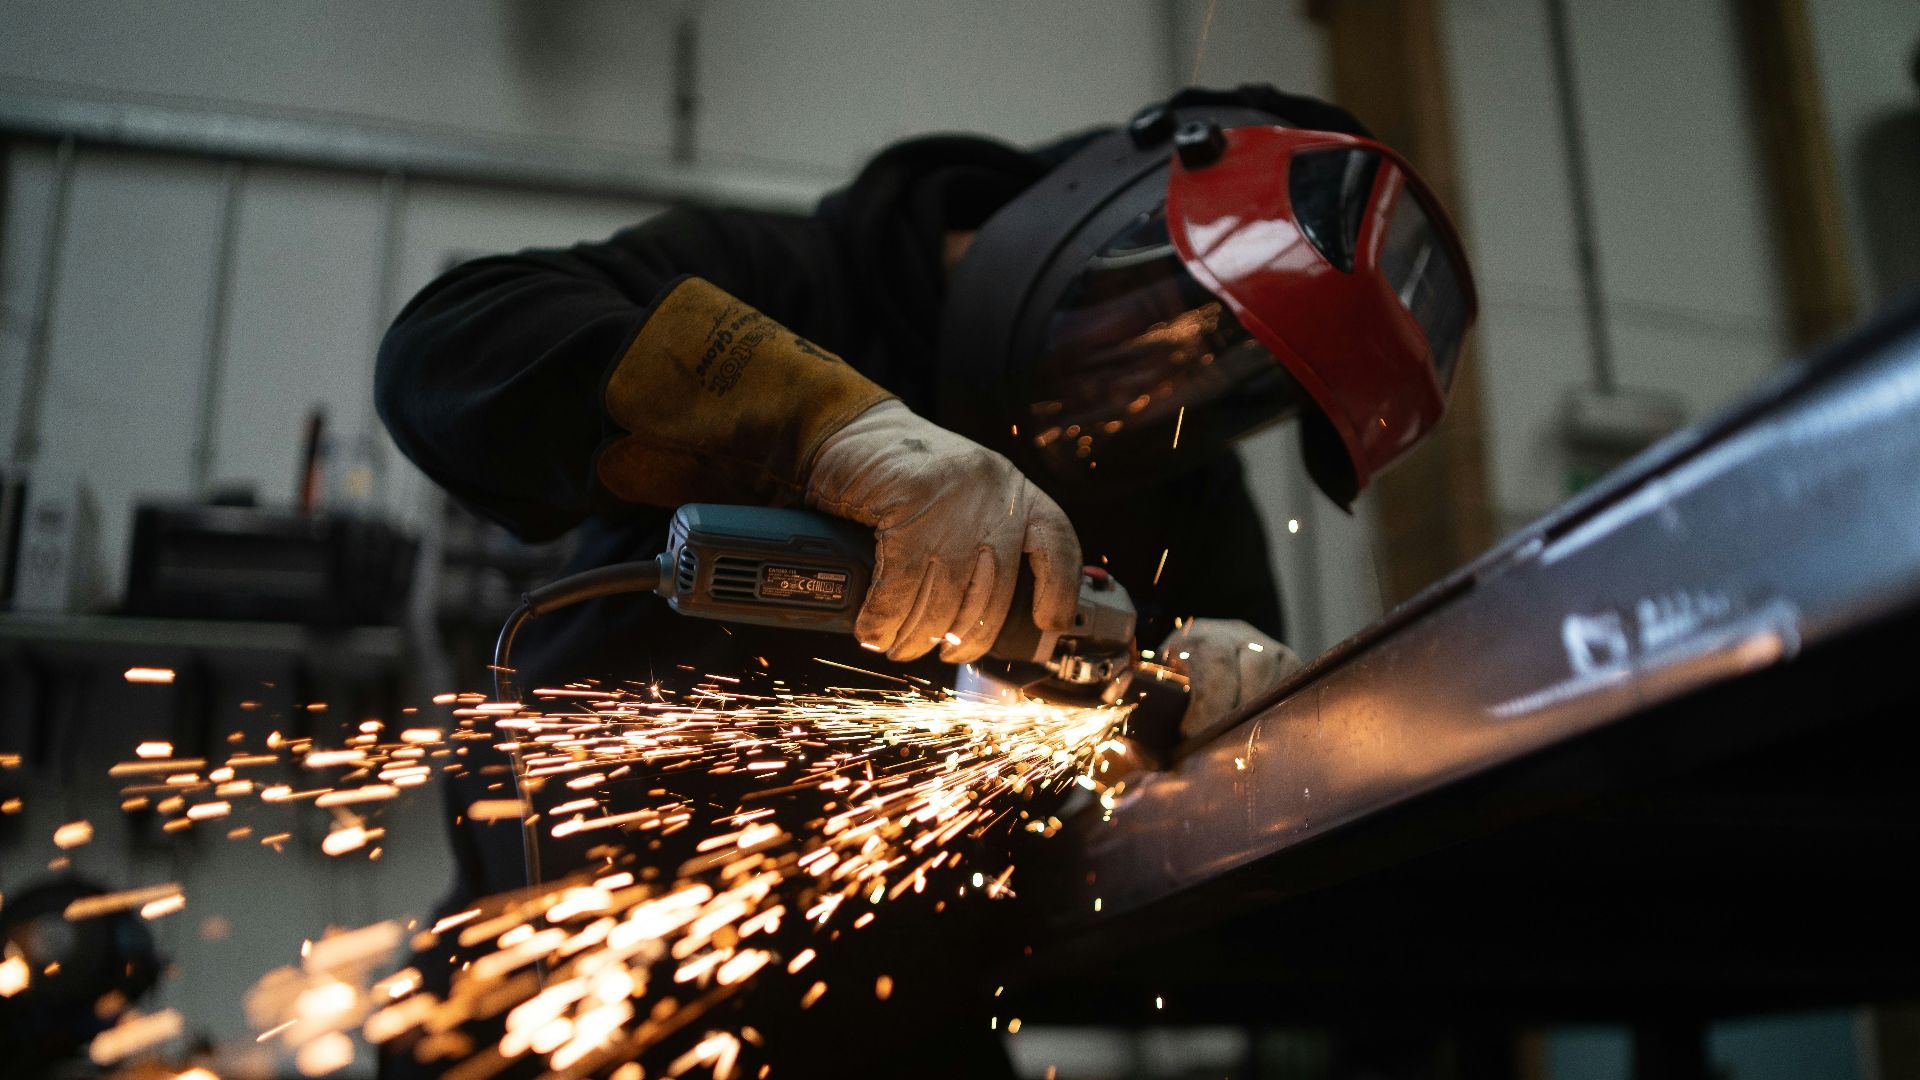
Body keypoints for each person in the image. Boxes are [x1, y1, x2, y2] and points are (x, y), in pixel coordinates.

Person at [375, 84, 1476, 1077]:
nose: (1164, 387)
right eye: (1176, 327)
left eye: (1236, 381)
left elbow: (1187, 835)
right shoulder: (794, 282)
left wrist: (1215, 724)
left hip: (898, 1028)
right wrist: (827, 427)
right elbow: (449, 346)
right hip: (562, 993)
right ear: (1113, 202)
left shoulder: (1175, 474)